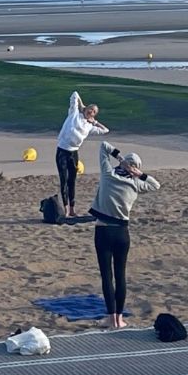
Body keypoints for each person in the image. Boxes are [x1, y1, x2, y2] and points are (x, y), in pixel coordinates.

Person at [88, 141, 160, 330]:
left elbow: (104, 145)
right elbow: (155, 185)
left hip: (103, 231)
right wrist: (140, 174)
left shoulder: (108, 174)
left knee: (107, 275)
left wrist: (120, 158)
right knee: (120, 275)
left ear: (124, 165)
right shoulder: (136, 184)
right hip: (122, 234)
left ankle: (111, 319)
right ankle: (120, 319)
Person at [56, 90, 109, 218]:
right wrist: (82, 105)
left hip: (73, 153)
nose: (91, 111)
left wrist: (95, 122)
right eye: (90, 109)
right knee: (63, 180)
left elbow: (105, 130)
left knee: (72, 181)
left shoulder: (90, 127)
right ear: (86, 109)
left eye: (94, 111)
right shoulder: (74, 113)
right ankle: (66, 209)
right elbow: (74, 94)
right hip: (62, 151)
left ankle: (72, 209)